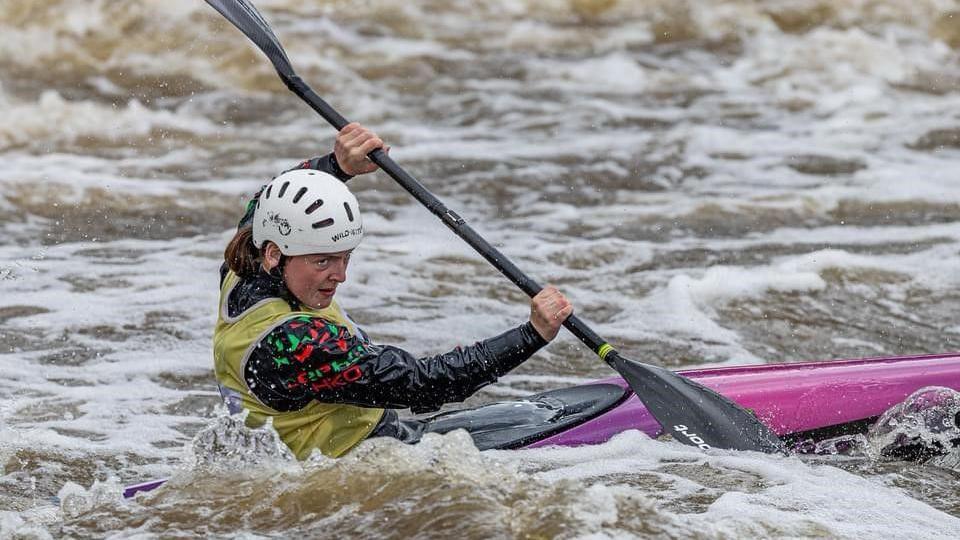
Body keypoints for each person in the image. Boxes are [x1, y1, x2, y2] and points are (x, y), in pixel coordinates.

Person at [214, 123, 574, 460]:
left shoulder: (245, 260)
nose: (340, 276)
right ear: (276, 253)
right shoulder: (295, 343)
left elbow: (270, 198)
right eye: (323, 261)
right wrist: (533, 334)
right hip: (355, 463)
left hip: (341, 441)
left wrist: (338, 164)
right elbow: (423, 383)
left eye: (345, 258)